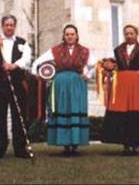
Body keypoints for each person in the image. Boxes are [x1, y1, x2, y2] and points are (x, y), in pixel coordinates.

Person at [32, 24, 96, 156]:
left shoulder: (85, 51)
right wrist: (36, 73)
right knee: (62, 109)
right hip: (60, 84)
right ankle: (65, 144)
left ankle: (75, 143)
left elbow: (96, 66)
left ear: (77, 36)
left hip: (77, 84)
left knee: (76, 109)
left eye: (72, 34)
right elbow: (37, 62)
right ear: (63, 36)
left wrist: (88, 75)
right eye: (67, 34)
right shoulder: (55, 50)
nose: (70, 37)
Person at [100, 24, 139, 155]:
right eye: (126, 34)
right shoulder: (117, 50)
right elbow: (106, 63)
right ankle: (125, 144)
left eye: (131, 33)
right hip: (121, 83)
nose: (129, 36)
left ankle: (135, 144)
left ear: (136, 34)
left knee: (136, 110)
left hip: (136, 83)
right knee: (122, 111)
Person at [0, 14, 32, 160]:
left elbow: (27, 60)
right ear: (2, 26)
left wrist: (13, 65)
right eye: (6, 25)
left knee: (19, 115)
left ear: (14, 27)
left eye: (12, 25)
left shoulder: (22, 42)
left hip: (17, 82)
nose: (9, 27)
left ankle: (20, 149)